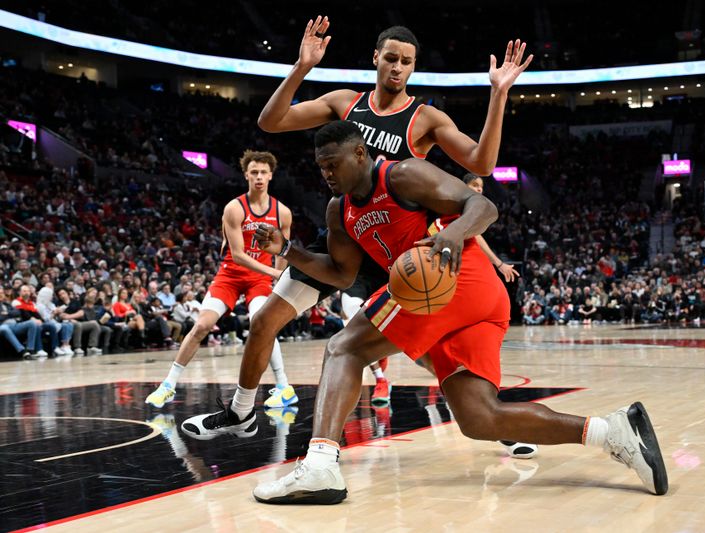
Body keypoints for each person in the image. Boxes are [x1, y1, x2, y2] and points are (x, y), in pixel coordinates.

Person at [249, 122, 668, 503]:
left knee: (344, 347)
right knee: (480, 418)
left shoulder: (401, 174)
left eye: (332, 163)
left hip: (456, 277)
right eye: (321, 166)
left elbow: (483, 208)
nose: (326, 173)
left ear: (359, 154)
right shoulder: (339, 210)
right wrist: (288, 251)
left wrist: (451, 232)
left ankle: (321, 464)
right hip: (463, 301)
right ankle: (613, 432)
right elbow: (341, 275)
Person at [180, 19, 535, 440]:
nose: (398, 68)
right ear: (376, 59)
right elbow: (271, 122)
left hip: (397, 252)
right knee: (264, 321)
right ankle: (241, 412)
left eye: (406, 62)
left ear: (413, 67)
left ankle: (494, 417)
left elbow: (482, 163)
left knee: (423, 350)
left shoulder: (424, 119)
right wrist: (301, 66)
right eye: (391, 59)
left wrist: (498, 95)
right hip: (347, 236)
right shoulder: (345, 103)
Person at [145, 150, 292, 409]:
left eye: (263, 173)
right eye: (254, 172)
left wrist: (276, 279)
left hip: (259, 279)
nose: (258, 177)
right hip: (231, 274)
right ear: (246, 175)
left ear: (271, 176)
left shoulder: (283, 212)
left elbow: (283, 250)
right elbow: (238, 255)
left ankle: (284, 387)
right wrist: (275, 273)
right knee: (202, 325)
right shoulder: (234, 208)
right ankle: (168, 384)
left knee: (263, 323)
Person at [0, 286, 41, 359]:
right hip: (2, 325)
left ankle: (30, 350)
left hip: (15, 325)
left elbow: (17, 312)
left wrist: (7, 313)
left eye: (2, 293)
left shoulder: (7, 304)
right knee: (4, 328)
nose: (1, 295)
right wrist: (9, 314)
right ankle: (22, 351)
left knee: (32, 323)